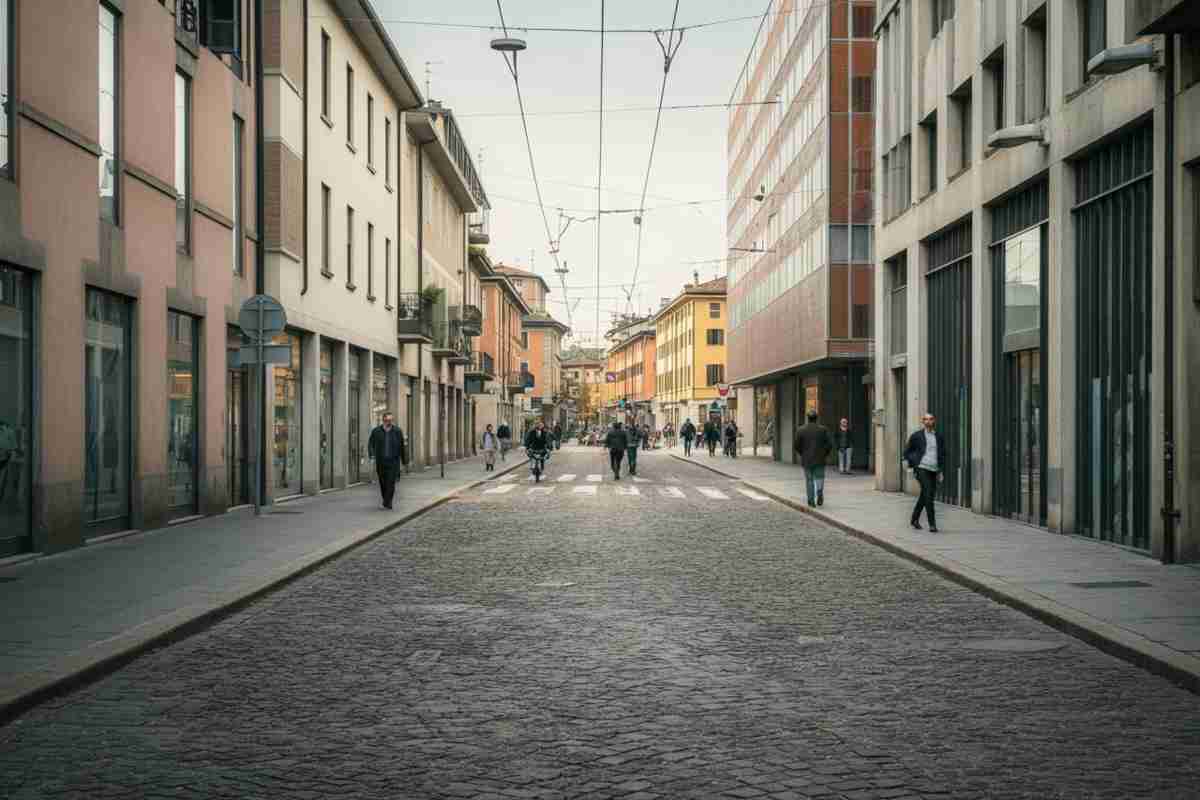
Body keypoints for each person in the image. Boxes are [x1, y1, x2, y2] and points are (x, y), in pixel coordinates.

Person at [904, 413, 945, 532]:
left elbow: (942, 455)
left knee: (926, 495)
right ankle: (932, 524)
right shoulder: (917, 436)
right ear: (923, 422)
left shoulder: (939, 437)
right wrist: (913, 463)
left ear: (934, 421)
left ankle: (914, 518)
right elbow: (907, 451)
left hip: (934, 469)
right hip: (921, 468)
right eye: (926, 419)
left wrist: (941, 471)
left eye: (931, 419)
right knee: (929, 495)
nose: (928, 421)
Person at [367, 412, 409, 510]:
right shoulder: (376, 431)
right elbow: (371, 444)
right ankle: (386, 500)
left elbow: (402, 447)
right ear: (383, 420)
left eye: (390, 420)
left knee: (391, 482)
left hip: (393, 462)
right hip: (381, 461)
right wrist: (372, 455)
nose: (389, 422)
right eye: (387, 420)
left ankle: (388, 502)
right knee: (382, 482)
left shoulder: (397, 431)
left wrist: (404, 461)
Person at [793, 410, 833, 507]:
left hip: (807, 460)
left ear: (808, 418)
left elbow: (796, 445)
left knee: (809, 480)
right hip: (820, 459)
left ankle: (811, 500)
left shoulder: (801, 430)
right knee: (819, 477)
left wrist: (802, 453)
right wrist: (824, 454)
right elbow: (829, 444)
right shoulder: (823, 430)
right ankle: (819, 493)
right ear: (817, 418)